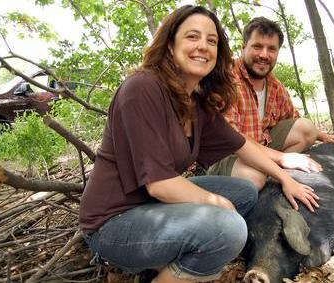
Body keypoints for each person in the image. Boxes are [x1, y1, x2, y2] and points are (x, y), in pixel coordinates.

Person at [79, 6, 319, 283]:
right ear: (170, 45)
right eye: (192, 37)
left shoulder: (195, 101)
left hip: (151, 205)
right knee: (228, 229)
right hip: (114, 221)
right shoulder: (142, 88)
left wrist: (284, 178)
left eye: (212, 41)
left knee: (244, 192)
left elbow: (242, 145)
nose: (203, 47)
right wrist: (215, 203)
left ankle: (180, 257)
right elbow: (160, 184)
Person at [208, 17, 334, 188]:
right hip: (228, 154)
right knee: (253, 178)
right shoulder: (225, 80)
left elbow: (294, 119)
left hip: (262, 146)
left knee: (306, 128)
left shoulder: (275, 86)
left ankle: (271, 175)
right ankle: (271, 173)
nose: (264, 55)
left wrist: (324, 136)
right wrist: (282, 158)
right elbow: (231, 139)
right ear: (244, 48)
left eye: (271, 49)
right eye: (257, 47)